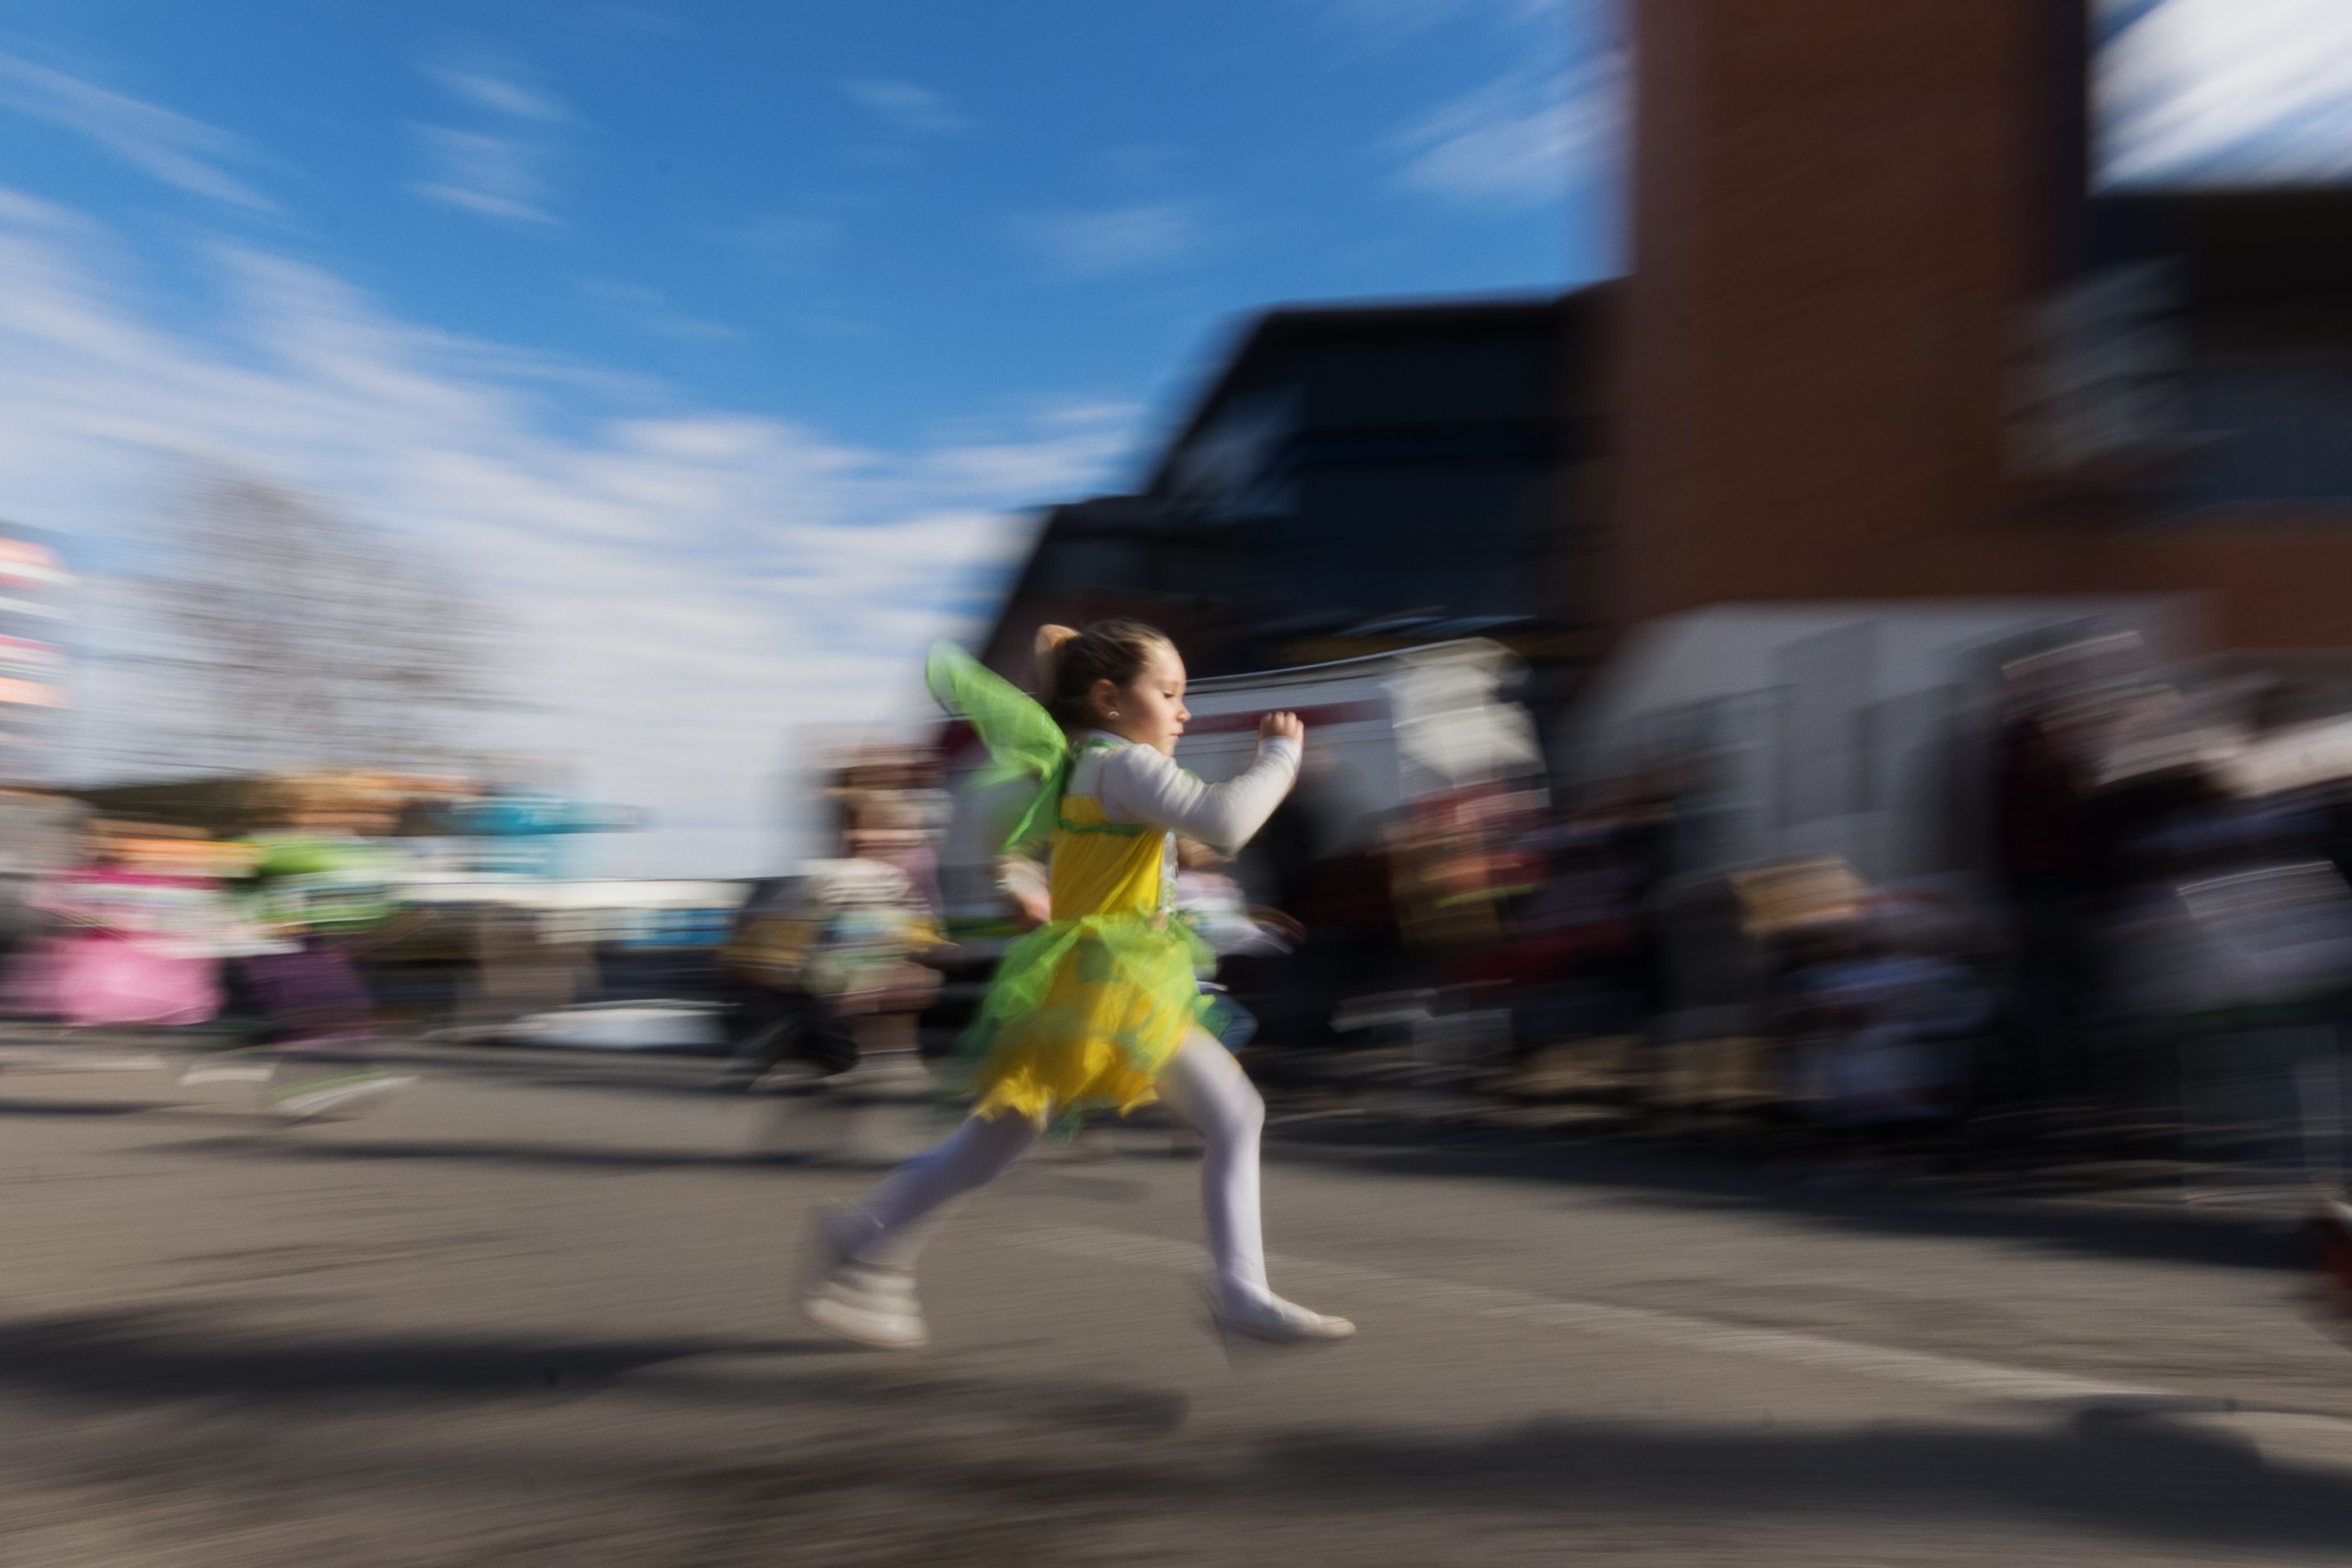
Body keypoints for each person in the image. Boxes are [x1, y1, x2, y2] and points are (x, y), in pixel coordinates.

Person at [801, 621, 1353, 1348]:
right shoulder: (1121, 763)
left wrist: (1032, 879)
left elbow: (1101, 856)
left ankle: (864, 1235)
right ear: (1108, 699)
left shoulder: (1089, 762)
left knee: (1002, 1137)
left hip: (1100, 976)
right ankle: (1240, 1294)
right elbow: (1225, 822)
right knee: (1228, 1115)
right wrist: (1280, 754)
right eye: (1167, 693)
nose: (1182, 711)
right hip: (1111, 981)